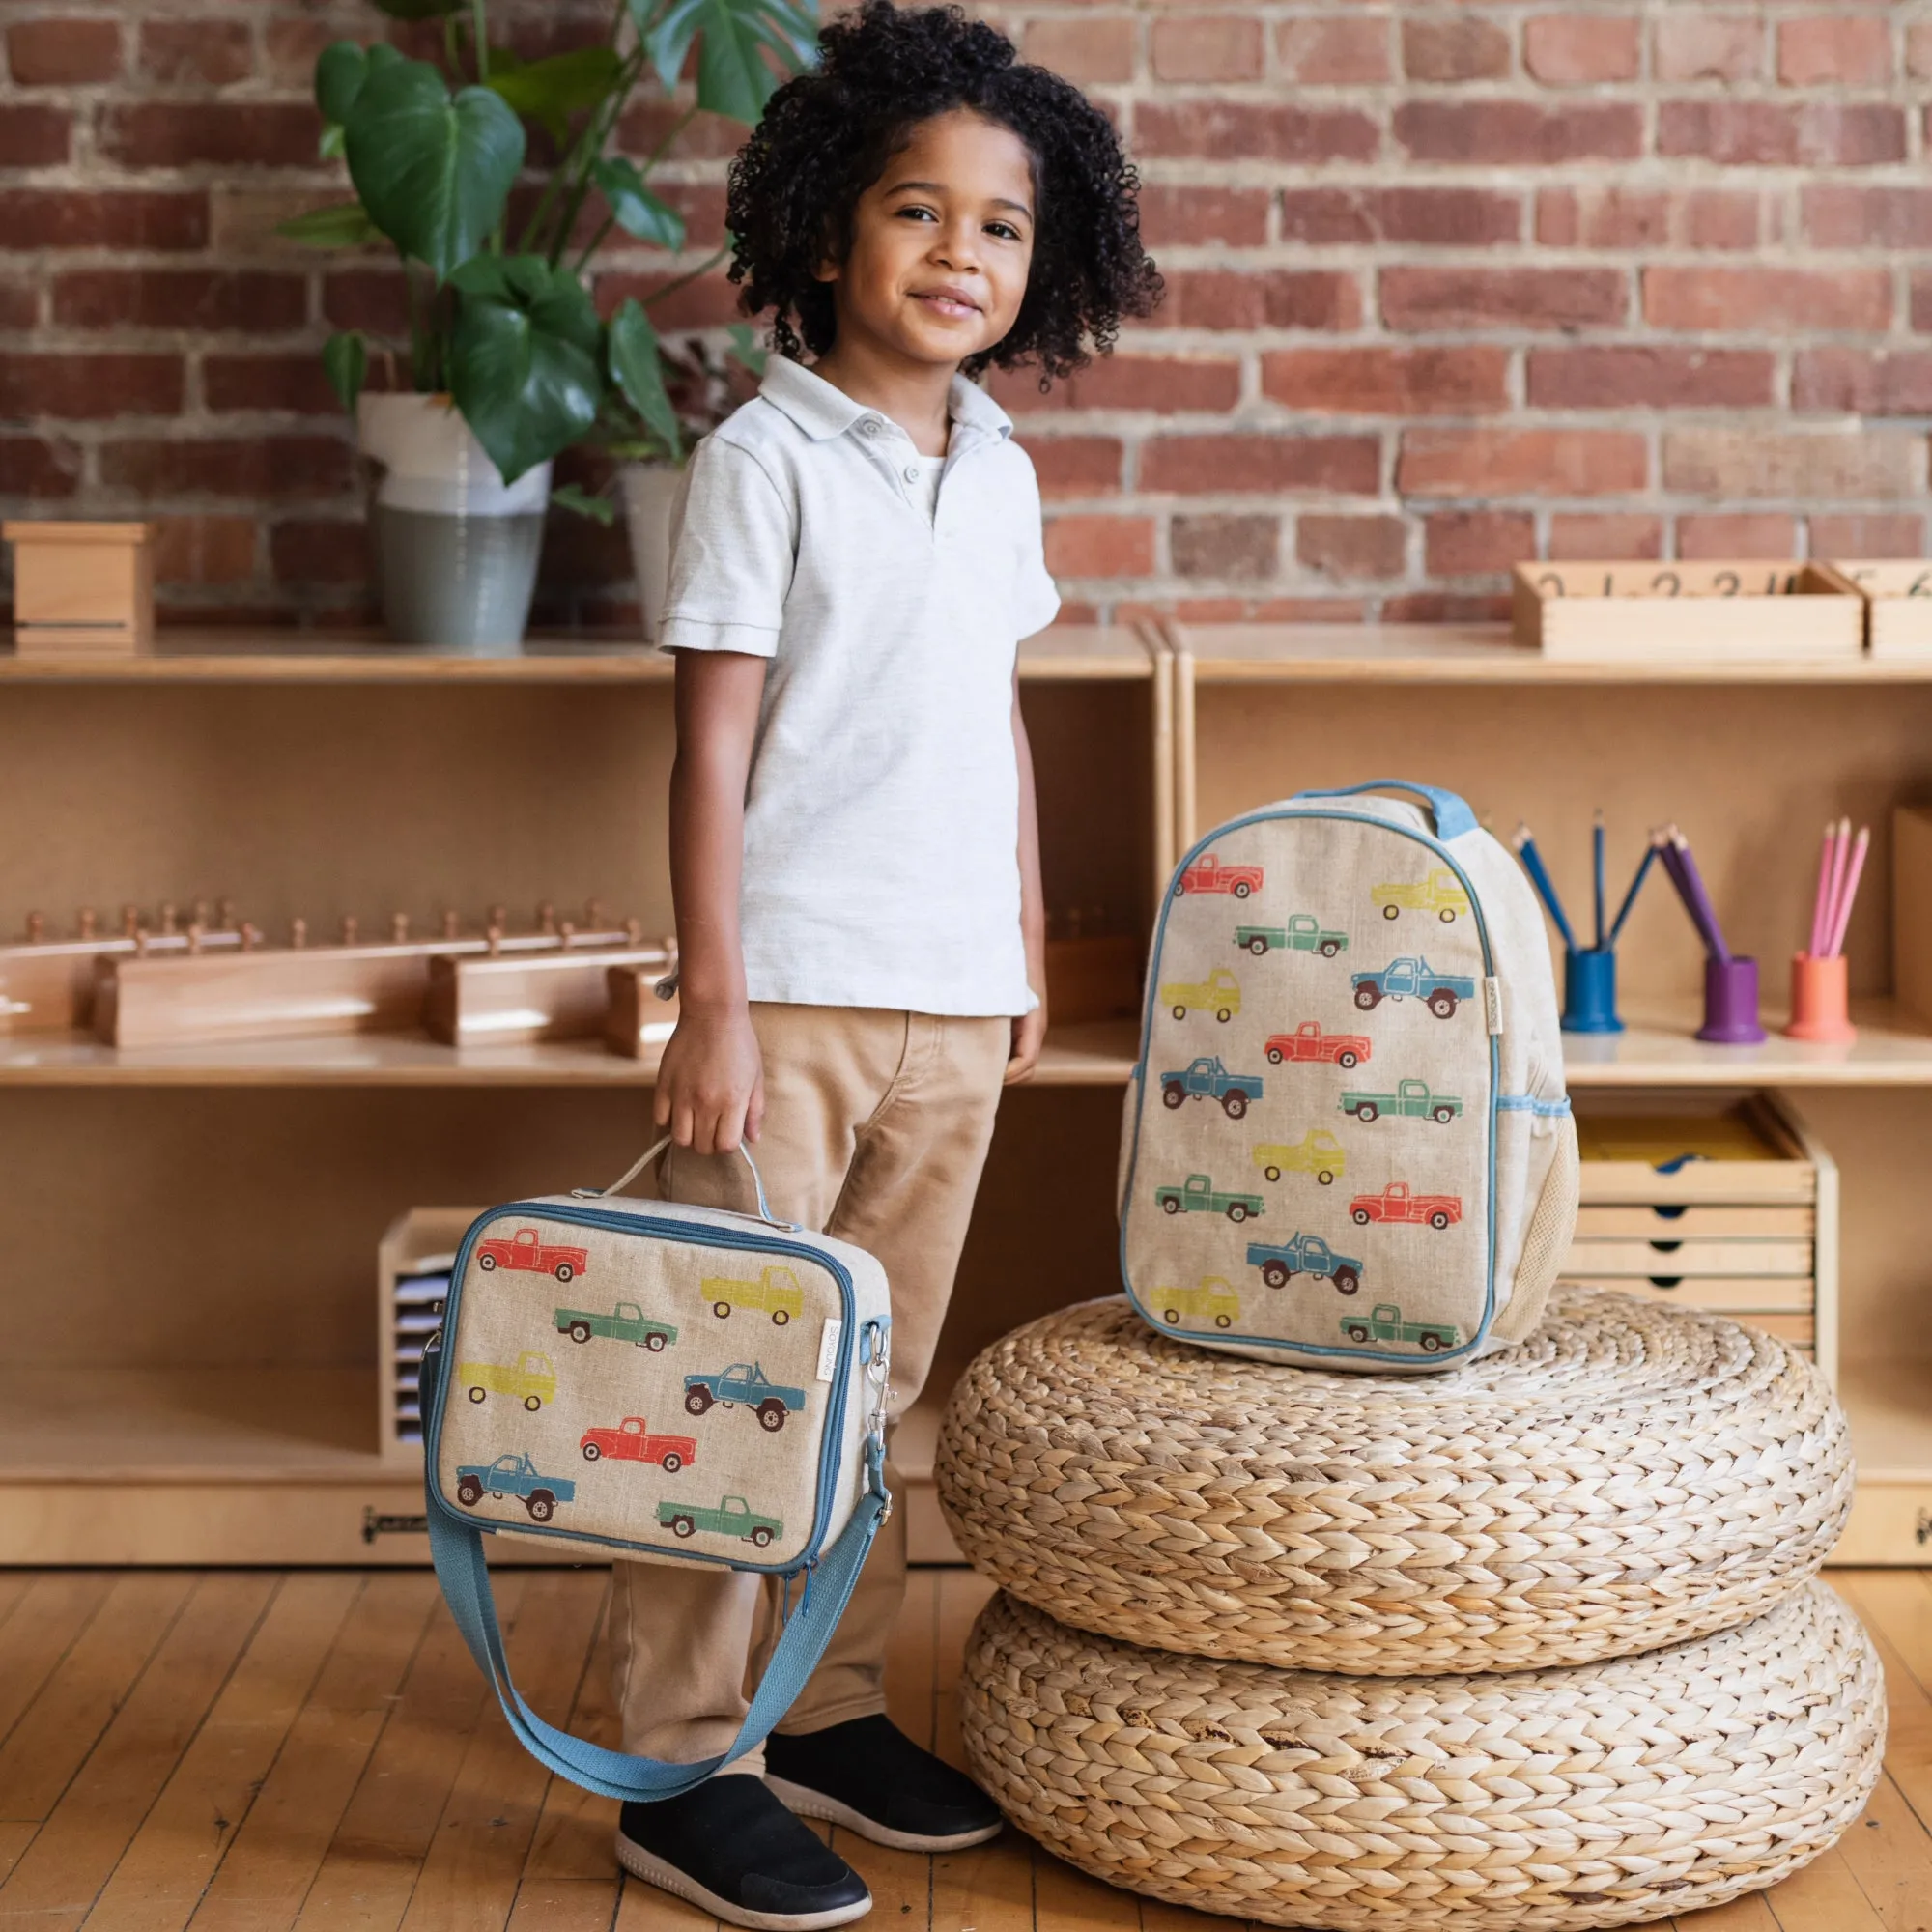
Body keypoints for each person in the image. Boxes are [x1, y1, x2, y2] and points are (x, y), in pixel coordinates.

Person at [609, 4, 1160, 1921]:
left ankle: (822, 1702)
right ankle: (679, 1761)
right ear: (827, 235)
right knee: (730, 1377)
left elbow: (992, 718)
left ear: (1043, 262)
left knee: (871, 1382)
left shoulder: (996, 468)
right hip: (792, 1002)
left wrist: (1019, 941)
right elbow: (708, 743)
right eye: (916, 212)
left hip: (947, 1000)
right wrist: (714, 997)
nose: (958, 253)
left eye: (999, 227)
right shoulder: (764, 457)